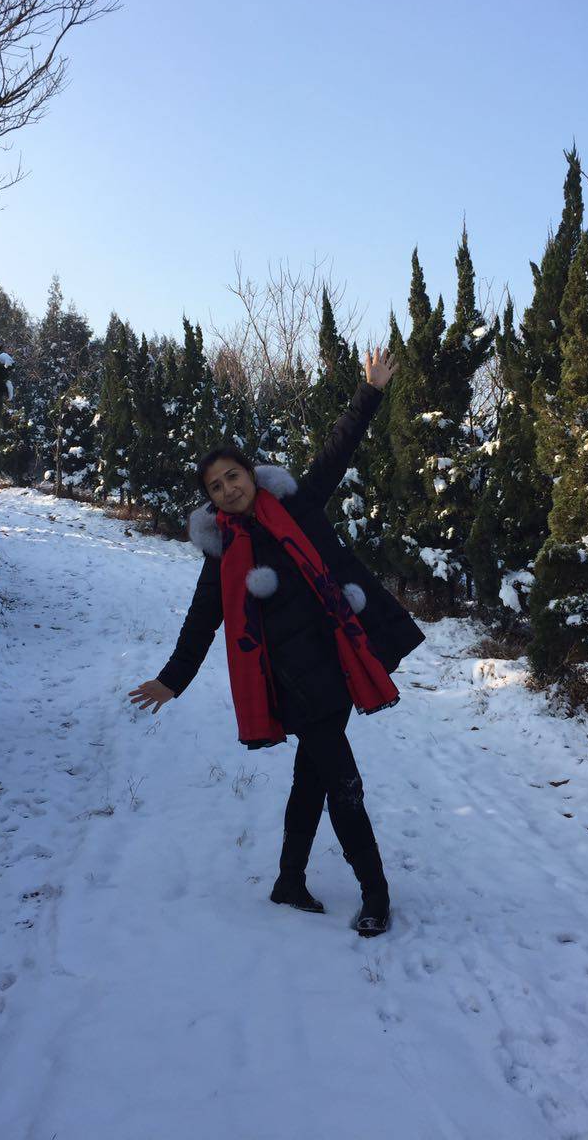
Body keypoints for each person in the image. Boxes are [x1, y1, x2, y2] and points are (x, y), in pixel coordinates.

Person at [129, 347, 426, 937]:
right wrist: (171, 679)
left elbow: (337, 451)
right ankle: (375, 893)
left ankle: (289, 881)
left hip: (338, 663)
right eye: (216, 486)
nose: (228, 489)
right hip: (293, 681)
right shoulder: (222, 557)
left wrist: (370, 391)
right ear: (210, 499)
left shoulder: (298, 505)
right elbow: (200, 622)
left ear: (250, 474)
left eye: (233, 476)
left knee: (312, 778)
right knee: (344, 785)